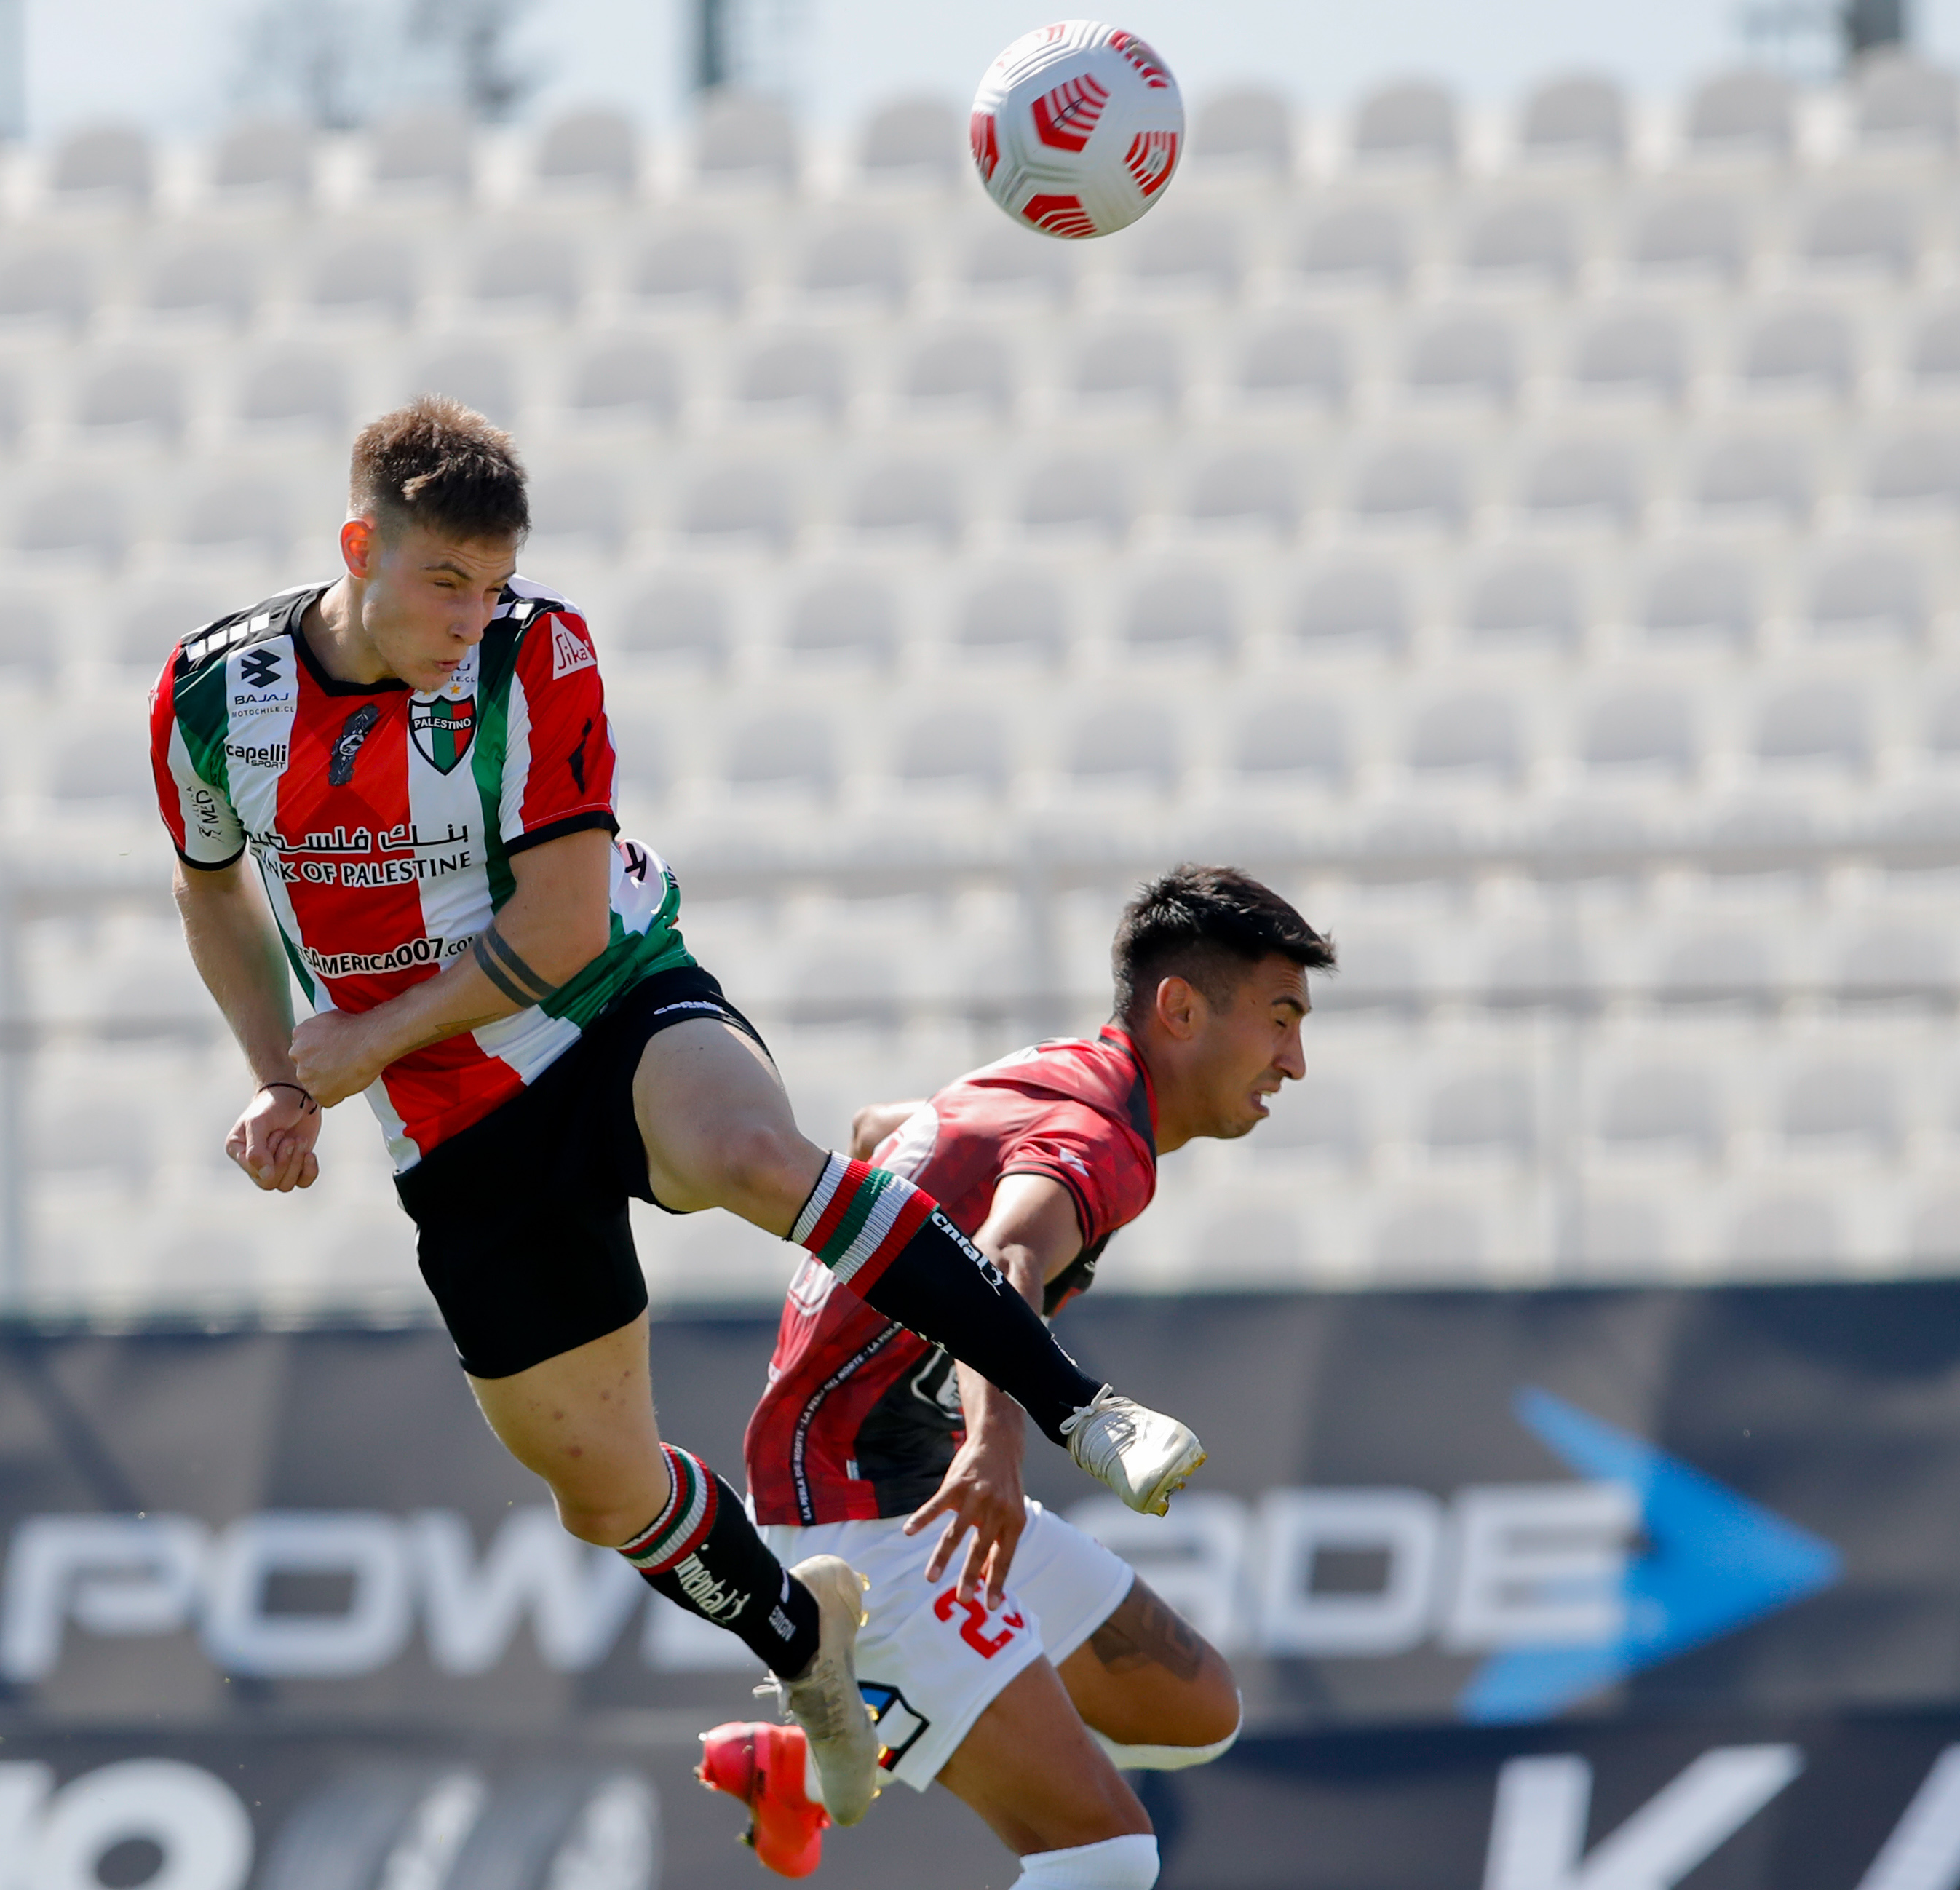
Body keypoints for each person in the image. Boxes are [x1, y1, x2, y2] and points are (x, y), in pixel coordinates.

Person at [146, 398, 1209, 1822]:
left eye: (490, 581)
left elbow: (566, 929)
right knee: (597, 1489)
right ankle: (808, 1658)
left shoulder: (542, 652)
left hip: (603, 1004)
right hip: (451, 1118)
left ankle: (1082, 1409)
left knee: (746, 1156)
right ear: (359, 549)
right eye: (440, 582)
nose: (471, 615)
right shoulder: (220, 693)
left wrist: (357, 1046)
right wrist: (283, 1073)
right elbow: (210, 887)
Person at [697, 866, 1334, 1889]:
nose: (1295, 1060)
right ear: (1179, 1007)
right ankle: (844, 1676)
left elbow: (875, 1129)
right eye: (1280, 1017)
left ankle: (807, 1756)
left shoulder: (1056, 1074)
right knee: (1112, 1856)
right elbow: (1003, 1264)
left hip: (906, 1480)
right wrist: (992, 1448)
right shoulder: (1101, 1135)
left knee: (1197, 1707)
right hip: (869, 1522)